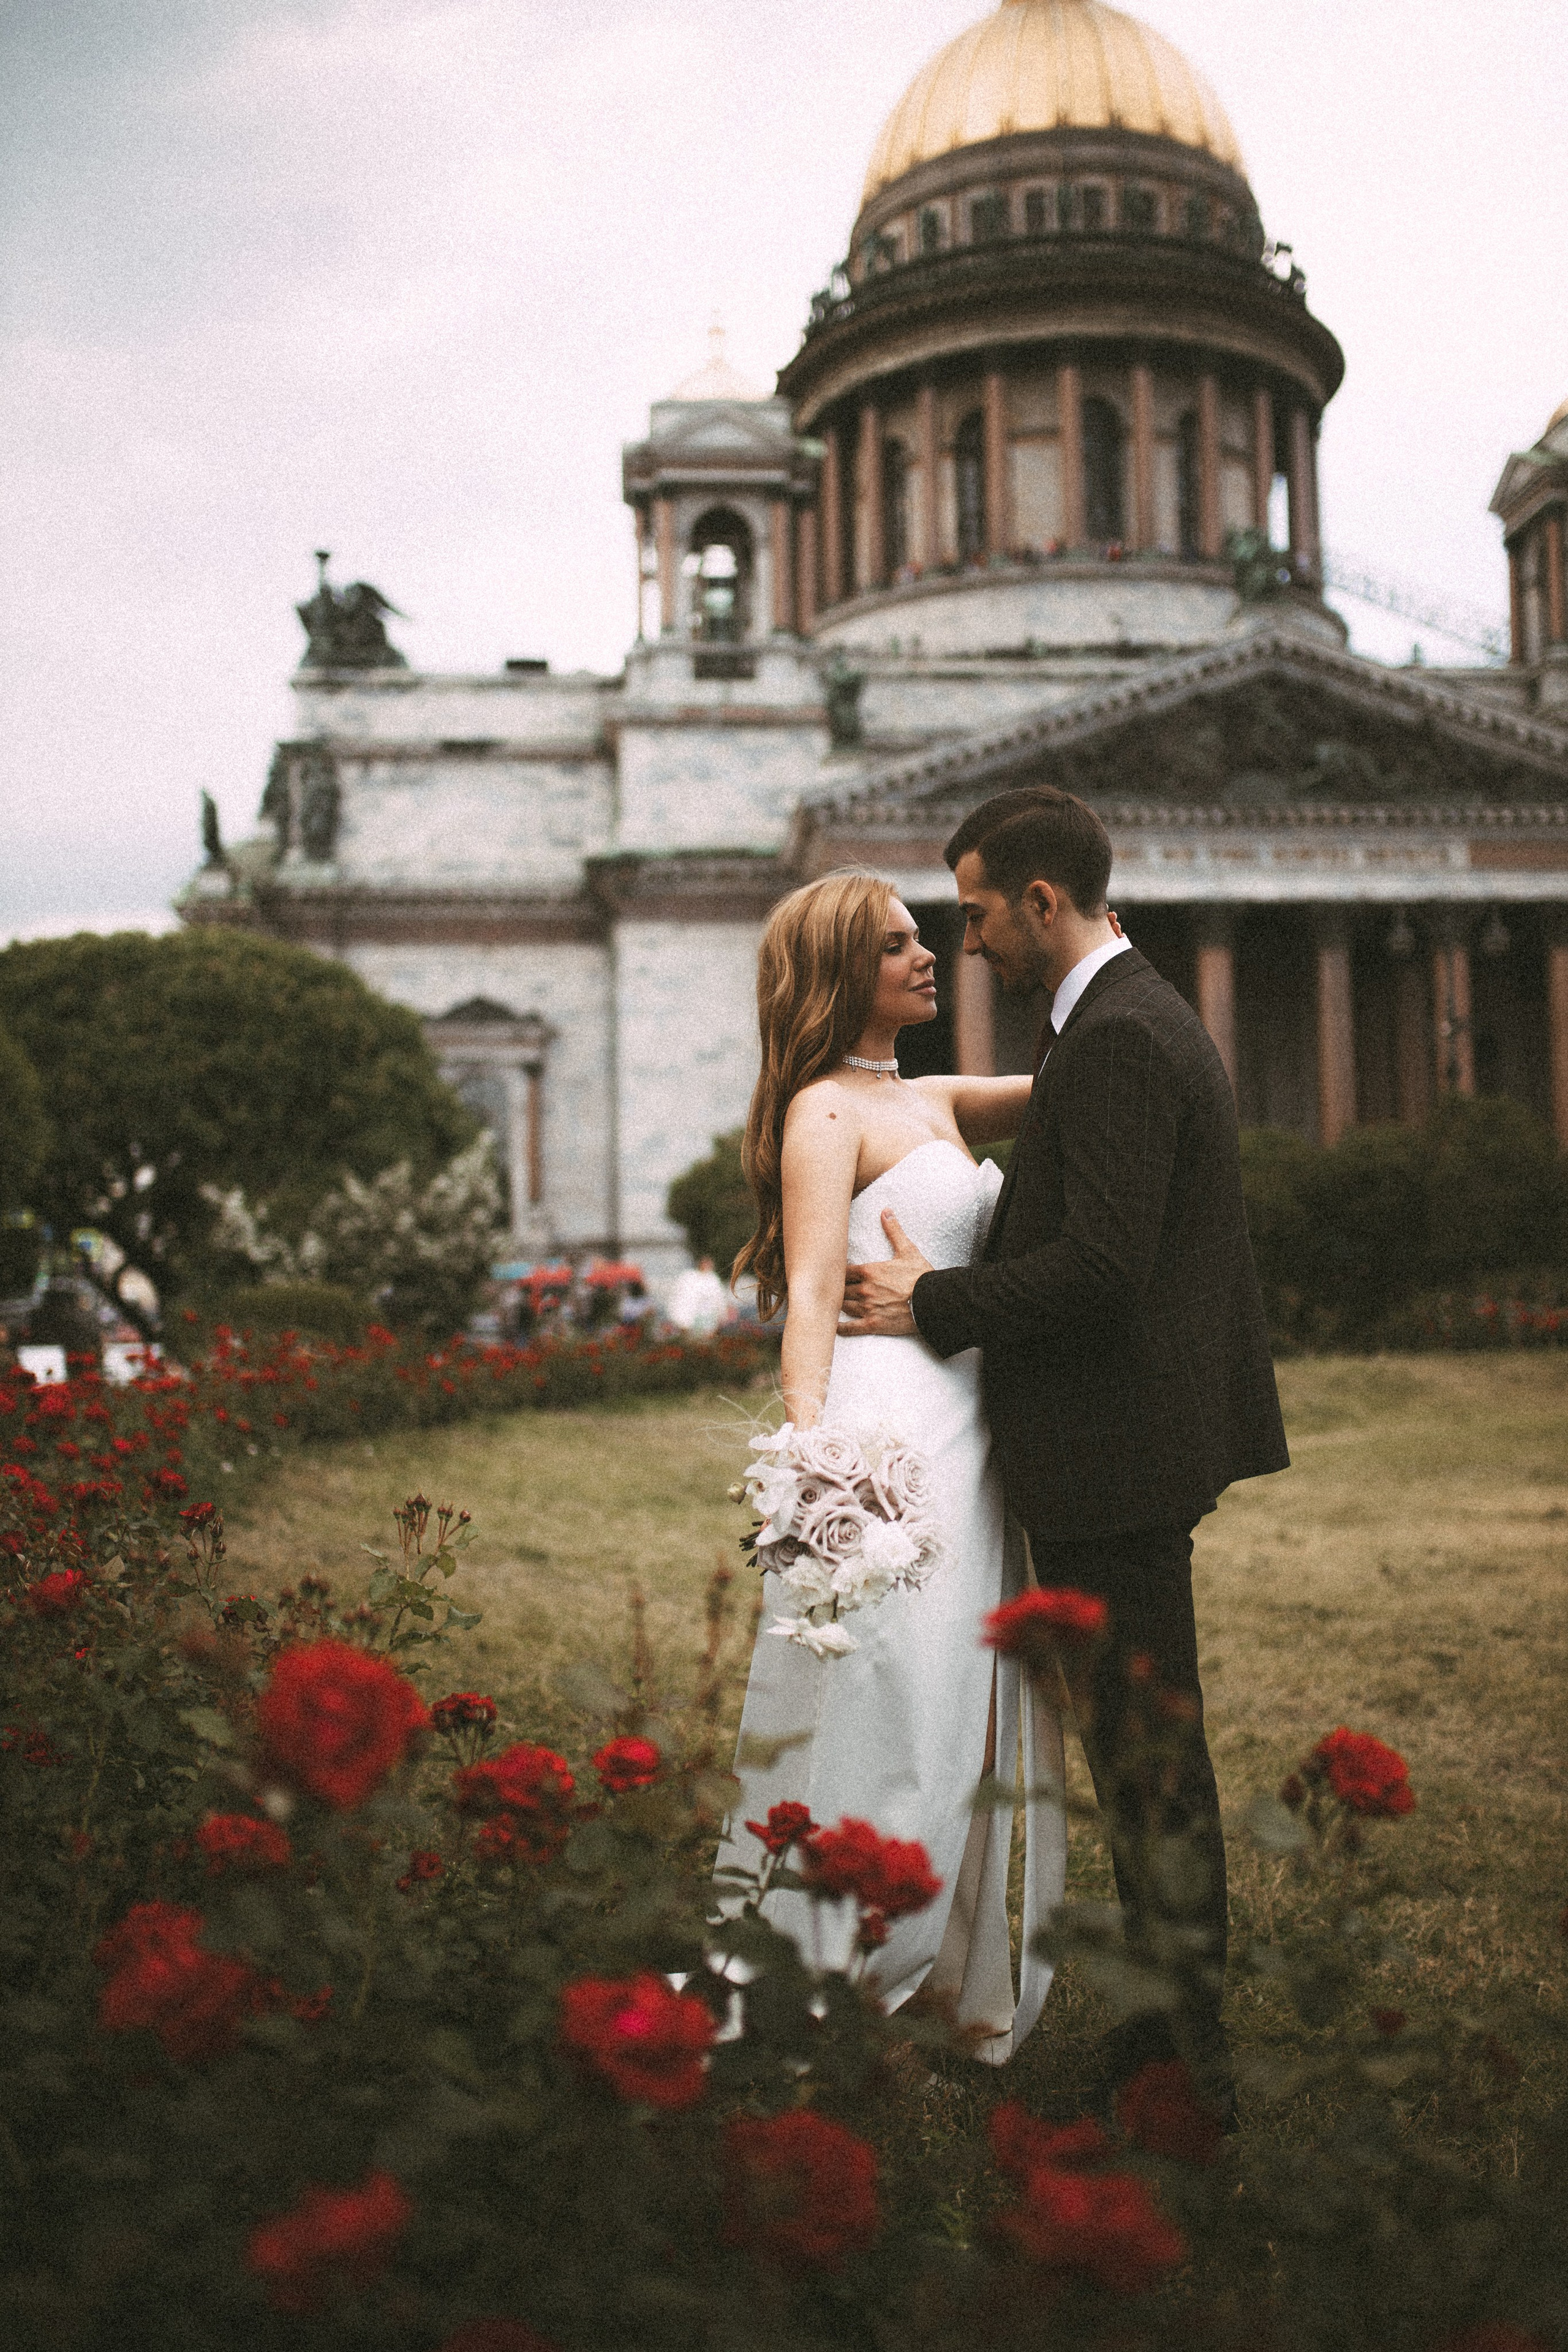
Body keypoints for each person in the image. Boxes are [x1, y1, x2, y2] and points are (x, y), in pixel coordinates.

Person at [840, 786, 1289, 2116]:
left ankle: (1179, 2056)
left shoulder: (1117, 1042)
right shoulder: (1122, 1018)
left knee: (1147, 1762)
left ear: (1041, 901)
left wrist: (929, 1303)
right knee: (1145, 1751)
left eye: (976, 912)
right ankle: (1168, 2034)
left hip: (1118, 1451)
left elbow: (1098, 1267)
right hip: (1129, 1443)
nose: (963, 939)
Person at [714, 871, 1067, 2064]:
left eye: (927, 939)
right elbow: (812, 1290)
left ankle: (939, 1977)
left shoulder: (933, 1096)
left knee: (961, 1706)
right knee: (892, 1695)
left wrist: (1094, 940)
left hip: (973, 1435)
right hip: (885, 1440)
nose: (930, 957)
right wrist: (811, 1468)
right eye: (898, 945)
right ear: (838, 976)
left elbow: (1085, 1074)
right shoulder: (824, 1111)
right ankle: (842, 1971)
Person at [666, 1255, 729, 1336]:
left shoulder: (713, 1279)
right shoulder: (689, 1277)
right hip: (691, 1320)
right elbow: (679, 1298)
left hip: (709, 1318)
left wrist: (722, 1316)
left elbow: (719, 1299)